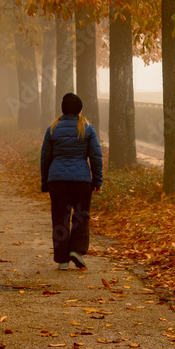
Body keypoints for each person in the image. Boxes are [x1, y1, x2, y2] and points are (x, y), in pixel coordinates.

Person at [40, 93, 103, 270]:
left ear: (63, 109)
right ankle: (77, 250)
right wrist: (97, 180)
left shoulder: (52, 129)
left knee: (60, 218)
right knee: (81, 216)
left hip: (57, 181)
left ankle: (62, 260)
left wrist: (45, 182)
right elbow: (95, 157)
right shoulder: (87, 128)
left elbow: (45, 158)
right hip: (81, 181)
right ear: (80, 110)